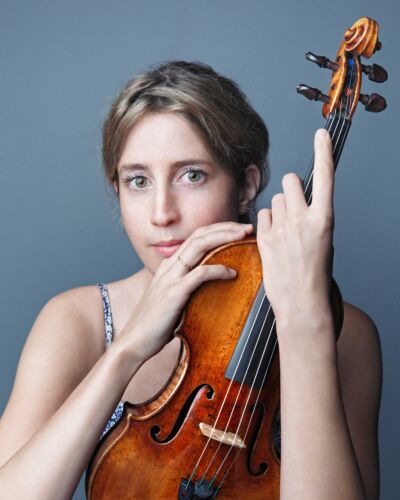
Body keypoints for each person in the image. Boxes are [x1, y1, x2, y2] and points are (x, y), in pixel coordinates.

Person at [0, 61, 381, 499]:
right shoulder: (76, 320)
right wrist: (126, 350)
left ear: (245, 187)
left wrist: (304, 326)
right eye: (138, 181)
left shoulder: (346, 335)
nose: (162, 213)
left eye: (191, 175)